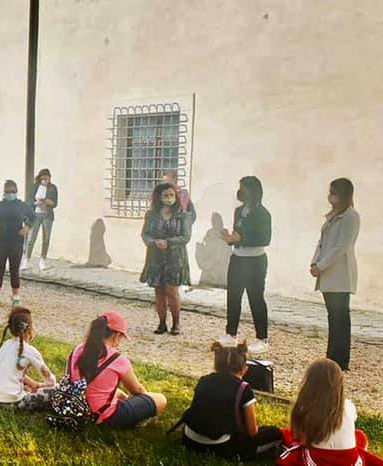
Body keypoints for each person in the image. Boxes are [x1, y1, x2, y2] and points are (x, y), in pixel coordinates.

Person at [179, 342, 281, 460]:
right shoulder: (243, 389)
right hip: (220, 446)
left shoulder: (204, 380)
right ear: (245, 369)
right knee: (275, 432)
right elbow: (252, 431)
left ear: (215, 366)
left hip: (189, 440)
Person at [70, 310, 167, 428]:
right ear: (116, 335)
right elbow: (137, 389)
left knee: (119, 393)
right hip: (102, 417)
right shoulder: (118, 359)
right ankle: (136, 421)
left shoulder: (79, 349)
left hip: (74, 406)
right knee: (160, 399)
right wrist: (145, 398)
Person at [277, 359, 383, 466]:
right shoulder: (347, 406)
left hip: (317, 460)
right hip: (350, 461)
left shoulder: (304, 407)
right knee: (359, 436)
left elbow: (303, 440)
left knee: (292, 444)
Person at [310, 178, 360, 371]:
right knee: (333, 316)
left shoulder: (351, 216)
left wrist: (321, 266)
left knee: (341, 317)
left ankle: (341, 360)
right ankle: (332, 357)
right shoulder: (332, 216)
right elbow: (321, 242)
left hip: (339, 273)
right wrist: (315, 262)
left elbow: (342, 246)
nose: (330, 196)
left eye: (334, 192)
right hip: (327, 272)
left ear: (343, 194)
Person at [219, 176, 272, 353]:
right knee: (233, 296)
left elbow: (265, 238)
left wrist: (242, 239)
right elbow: (237, 233)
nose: (241, 191)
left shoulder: (263, 214)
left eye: (244, 188)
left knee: (255, 297)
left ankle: (262, 337)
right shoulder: (239, 211)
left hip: (255, 260)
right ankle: (230, 333)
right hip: (238, 257)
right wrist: (230, 239)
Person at [140, 182, 192, 335]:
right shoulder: (151, 215)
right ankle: (162, 323)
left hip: (175, 257)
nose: (169, 198)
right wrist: (154, 242)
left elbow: (186, 236)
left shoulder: (183, 215)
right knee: (159, 290)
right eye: (165, 195)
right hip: (156, 256)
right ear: (159, 197)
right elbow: (145, 234)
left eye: (171, 195)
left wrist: (168, 242)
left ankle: (176, 323)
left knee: (171, 290)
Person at [0, 307, 56, 410]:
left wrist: (34, 384)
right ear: (29, 329)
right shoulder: (29, 350)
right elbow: (51, 381)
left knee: (26, 387)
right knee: (57, 390)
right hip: (13, 402)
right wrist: (41, 386)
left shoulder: (5, 344)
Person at [0, 180, 33, 307]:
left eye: (13, 191)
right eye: (8, 191)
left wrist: (27, 227)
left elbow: (33, 216)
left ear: (16, 192)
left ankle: (15, 296)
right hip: (1, 241)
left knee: (14, 270)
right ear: (4, 193)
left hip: (16, 241)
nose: (11, 194)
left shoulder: (21, 205)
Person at [23, 168, 58, 272]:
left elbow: (55, 203)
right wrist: (35, 203)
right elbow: (28, 201)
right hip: (36, 215)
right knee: (31, 238)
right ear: (40, 178)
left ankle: (42, 260)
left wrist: (46, 201)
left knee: (46, 239)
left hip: (47, 216)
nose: (45, 180)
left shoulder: (53, 188)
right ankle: (26, 260)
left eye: (47, 178)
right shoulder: (34, 187)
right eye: (43, 179)